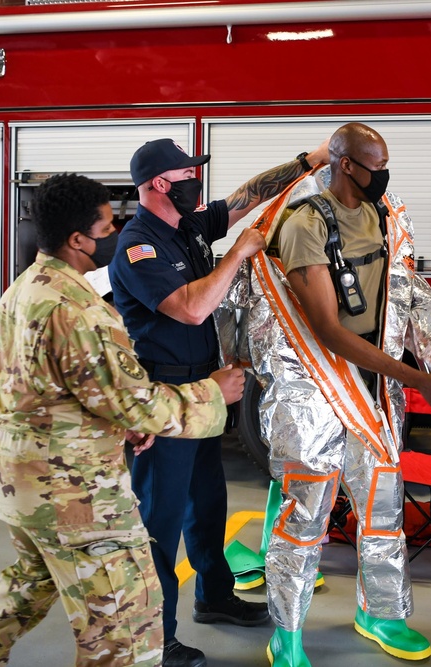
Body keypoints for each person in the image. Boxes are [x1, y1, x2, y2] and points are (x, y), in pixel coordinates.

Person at [0, 173, 246, 667]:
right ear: (78, 239)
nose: (115, 232)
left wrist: (117, 426)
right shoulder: (78, 311)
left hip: (17, 482)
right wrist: (214, 392)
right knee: (126, 630)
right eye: (106, 226)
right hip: (74, 495)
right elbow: (136, 401)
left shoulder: (24, 291)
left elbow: (45, 389)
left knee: (29, 585)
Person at [215, 122, 431, 666]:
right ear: (342, 163)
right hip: (311, 388)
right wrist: (423, 380)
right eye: (373, 165)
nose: (383, 175)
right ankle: (286, 633)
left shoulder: (387, 216)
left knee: (382, 505)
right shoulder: (304, 224)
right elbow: (328, 332)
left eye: (386, 164)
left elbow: (409, 292)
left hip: (376, 385)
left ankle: (380, 612)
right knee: (305, 515)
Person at [108, 138, 329, 667]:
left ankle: (214, 595)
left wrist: (307, 162)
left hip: (204, 394)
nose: (196, 180)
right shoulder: (139, 245)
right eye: (188, 172)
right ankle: (156, 639)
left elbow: (243, 200)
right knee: (159, 525)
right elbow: (190, 308)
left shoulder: (185, 226)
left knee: (206, 505)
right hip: (166, 399)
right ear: (160, 183)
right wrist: (238, 253)